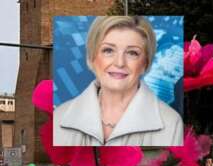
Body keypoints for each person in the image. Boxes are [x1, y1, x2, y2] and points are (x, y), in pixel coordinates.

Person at [53, 16, 182, 146]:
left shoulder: (171, 122)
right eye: (108, 50)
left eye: (132, 53)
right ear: (91, 59)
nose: (120, 63)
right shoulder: (59, 117)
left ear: (145, 63)